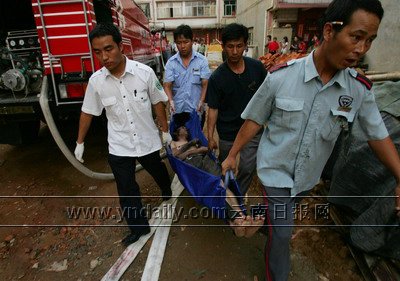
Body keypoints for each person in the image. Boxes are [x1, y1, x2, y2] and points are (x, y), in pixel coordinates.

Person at [221, 1, 400, 280]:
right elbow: (254, 119)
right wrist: (233, 154)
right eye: (356, 37)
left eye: (370, 40)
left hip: (306, 180)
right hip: (274, 173)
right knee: (282, 233)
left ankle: (267, 219)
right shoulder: (281, 77)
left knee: (279, 219)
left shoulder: (358, 89)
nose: (362, 49)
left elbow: (378, 134)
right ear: (330, 31)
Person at [74, 23, 173, 247]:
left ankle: (166, 188)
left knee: (156, 168)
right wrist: (80, 142)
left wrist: (164, 130)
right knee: (127, 189)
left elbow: (158, 101)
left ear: (121, 46)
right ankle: (138, 228)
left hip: (147, 140)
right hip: (119, 145)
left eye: (108, 49)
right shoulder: (96, 81)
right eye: (97, 52)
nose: (104, 57)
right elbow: (88, 111)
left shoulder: (144, 73)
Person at [206, 23, 267, 196]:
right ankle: (228, 197)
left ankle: (238, 200)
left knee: (247, 167)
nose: (234, 51)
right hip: (228, 134)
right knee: (227, 169)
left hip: (252, 131)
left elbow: (267, 97)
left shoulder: (257, 68)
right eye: (230, 46)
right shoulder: (217, 78)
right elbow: (213, 109)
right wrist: (210, 137)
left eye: (239, 46)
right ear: (224, 47)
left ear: (245, 45)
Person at [171, 125, 265, 237]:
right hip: (191, 167)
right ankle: (238, 219)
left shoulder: (194, 140)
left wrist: (197, 149)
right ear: (177, 132)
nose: (185, 129)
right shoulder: (174, 143)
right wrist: (192, 149)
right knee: (216, 188)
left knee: (222, 185)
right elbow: (176, 156)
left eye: (186, 128)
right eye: (183, 128)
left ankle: (238, 219)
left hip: (205, 160)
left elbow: (206, 149)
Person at [163, 25, 211, 128]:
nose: (182, 46)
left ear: (192, 41)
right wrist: (171, 101)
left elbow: (205, 84)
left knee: (196, 140)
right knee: (179, 142)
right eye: (179, 43)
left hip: (196, 111)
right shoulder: (171, 63)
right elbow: (167, 85)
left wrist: (201, 102)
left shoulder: (201, 61)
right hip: (177, 111)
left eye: (186, 42)